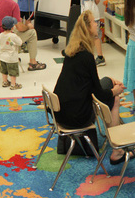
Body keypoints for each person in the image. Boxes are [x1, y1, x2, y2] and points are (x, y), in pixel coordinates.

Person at [53, 11, 126, 162]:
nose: (96, 24)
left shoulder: (71, 51)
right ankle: (117, 151)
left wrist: (111, 81)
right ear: (87, 28)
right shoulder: (86, 57)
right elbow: (98, 93)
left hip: (60, 112)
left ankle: (115, 139)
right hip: (77, 117)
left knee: (107, 81)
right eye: (94, 22)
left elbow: (92, 84)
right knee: (116, 99)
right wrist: (114, 91)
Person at [78, 0, 105, 65]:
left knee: (95, 36)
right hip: (87, 16)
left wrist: (91, 7)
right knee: (87, 36)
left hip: (93, 16)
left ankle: (100, 57)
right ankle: (88, 55)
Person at [0, 16, 24, 90]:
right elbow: (20, 43)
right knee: (13, 71)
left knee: (4, 70)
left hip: (2, 57)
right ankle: (13, 84)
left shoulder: (1, 35)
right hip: (11, 58)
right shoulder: (13, 36)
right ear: (12, 27)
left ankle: (5, 82)